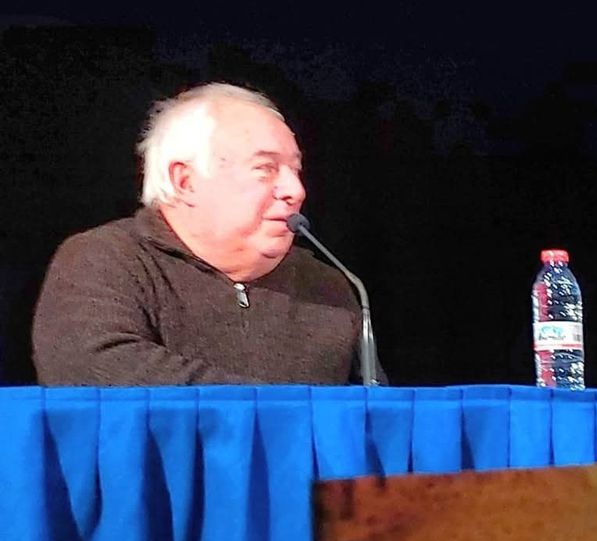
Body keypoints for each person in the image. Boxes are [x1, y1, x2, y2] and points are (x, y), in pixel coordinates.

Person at [32, 82, 375, 385]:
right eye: (265, 169)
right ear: (186, 182)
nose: (294, 190)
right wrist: (279, 415)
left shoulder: (328, 286)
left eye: (295, 170)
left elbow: (370, 419)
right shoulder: (105, 260)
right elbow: (94, 370)